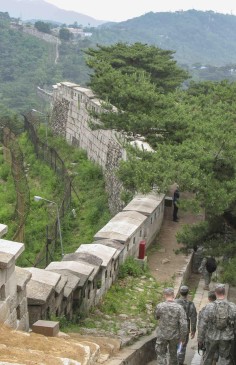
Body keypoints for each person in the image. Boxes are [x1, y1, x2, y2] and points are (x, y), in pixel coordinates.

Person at [197, 284, 236, 365]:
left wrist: (200, 339)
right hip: (226, 337)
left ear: (215, 293)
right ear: (224, 293)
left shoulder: (209, 306)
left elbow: (202, 324)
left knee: (208, 357)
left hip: (211, 337)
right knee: (225, 358)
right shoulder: (232, 306)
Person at [154, 287, 188, 365]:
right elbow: (184, 324)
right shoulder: (179, 308)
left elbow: (156, 317)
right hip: (175, 336)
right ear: (173, 295)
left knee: (161, 354)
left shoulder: (159, 306)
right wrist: (183, 338)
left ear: (165, 295)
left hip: (162, 335)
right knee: (173, 355)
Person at [175, 285, 197, 365]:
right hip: (185, 328)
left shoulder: (174, 302)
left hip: (174, 328)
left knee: (173, 346)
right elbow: (193, 317)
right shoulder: (190, 304)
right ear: (187, 293)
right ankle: (180, 362)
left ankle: (173, 361)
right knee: (182, 346)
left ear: (180, 293)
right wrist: (193, 330)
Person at [198, 291, 218, 365]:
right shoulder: (221, 308)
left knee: (208, 354)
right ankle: (214, 361)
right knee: (215, 352)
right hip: (219, 336)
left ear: (209, 298)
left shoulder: (205, 309)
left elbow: (201, 325)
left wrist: (200, 339)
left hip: (208, 336)